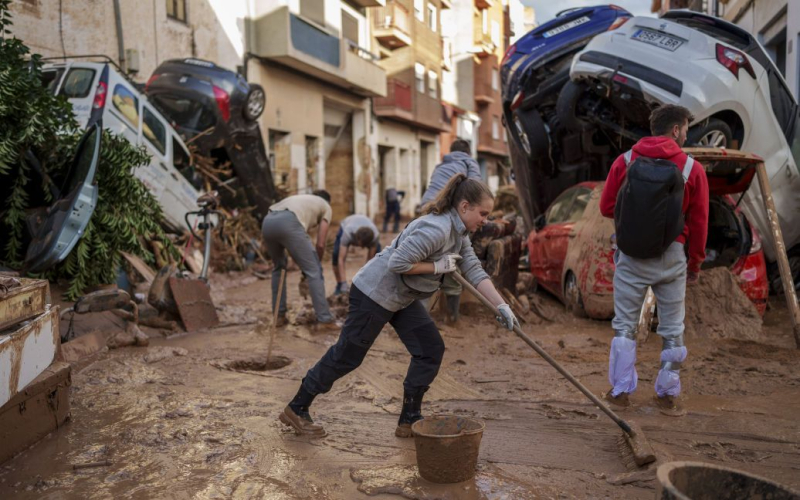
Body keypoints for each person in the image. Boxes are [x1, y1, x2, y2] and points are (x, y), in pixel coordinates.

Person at [279, 175, 518, 438]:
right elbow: (398, 263)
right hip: (374, 293)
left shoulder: (458, 233)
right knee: (348, 356)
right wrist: (437, 267)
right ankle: (297, 407)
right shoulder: (436, 228)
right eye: (483, 213)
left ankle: (409, 418)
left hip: (402, 298)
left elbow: (473, 269)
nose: (485, 220)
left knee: (430, 348)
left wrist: (501, 305)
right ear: (464, 207)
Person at [600, 104, 709, 413]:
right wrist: (695, 263)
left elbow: (607, 207)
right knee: (673, 327)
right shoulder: (692, 169)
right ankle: (668, 392)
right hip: (672, 255)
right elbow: (700, 223)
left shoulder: (625, 160)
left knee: (624, 326)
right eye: (686, 128)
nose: (687, 133)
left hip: (631, 253)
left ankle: (621, 390)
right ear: (675, 130)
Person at [418, 139, 483, 325]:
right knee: (454, 263)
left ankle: (418, 318)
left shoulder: (441, 165)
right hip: (447, 214)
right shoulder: (469, 163)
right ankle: (452, 318)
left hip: (426, 210)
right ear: (468, 153)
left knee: (425, 263)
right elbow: (476, 192)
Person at [261, 190, 339, 331]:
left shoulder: (301, 199)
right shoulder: (326, 206)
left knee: (279, 268)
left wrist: (304, 266)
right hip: (289, 221)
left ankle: (279, 317)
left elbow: (295, 248)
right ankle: (325, 319)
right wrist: (315, 264)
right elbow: (320, 244)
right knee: (314, 270)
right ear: (327, 201)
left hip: (268, 222)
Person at [333, 214, 381, 295]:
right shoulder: (348, 233)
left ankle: (373, 287)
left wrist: (363, 284)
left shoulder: (375, 237)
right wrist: (344, 282)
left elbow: (370, 262)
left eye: (363, 246)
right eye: (360, 245)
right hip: (347, 224)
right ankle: (340, 285)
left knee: (378, 260)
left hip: (369, 232)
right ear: (357, 239)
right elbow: (341, 259)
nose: (361, 248)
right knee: (336, 255)